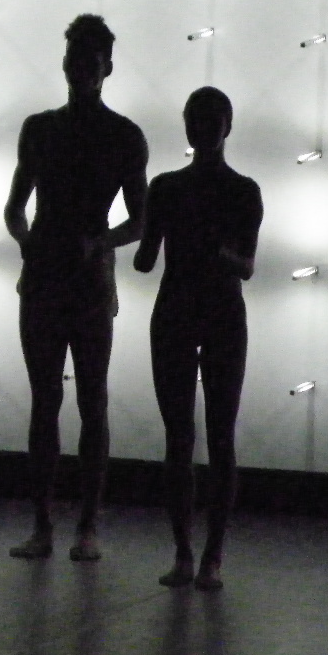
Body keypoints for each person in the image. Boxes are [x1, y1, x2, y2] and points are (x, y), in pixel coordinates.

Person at [3, 14, 148, 562]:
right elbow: (136, 222)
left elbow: (18, 210)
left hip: (67, 279)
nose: (82, 69)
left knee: (71, 401)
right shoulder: (115, 135)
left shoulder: (51, 131)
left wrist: (34, 241)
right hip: (74, 279)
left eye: (89, 61)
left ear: (104, 67)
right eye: (77, 60)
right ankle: (71, 526)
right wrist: (91, 242)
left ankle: (59, 525)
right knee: (72, 401)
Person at [134, 87, 263, 591]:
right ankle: (208, 556)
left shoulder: (167, 187)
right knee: (217, 436)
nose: (203, 130)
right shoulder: (243, 191)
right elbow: (245, 265)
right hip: (221, 313)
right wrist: (219, 252)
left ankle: (188, 553)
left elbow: (145, 260)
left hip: (177, 312)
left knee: (182, 437)